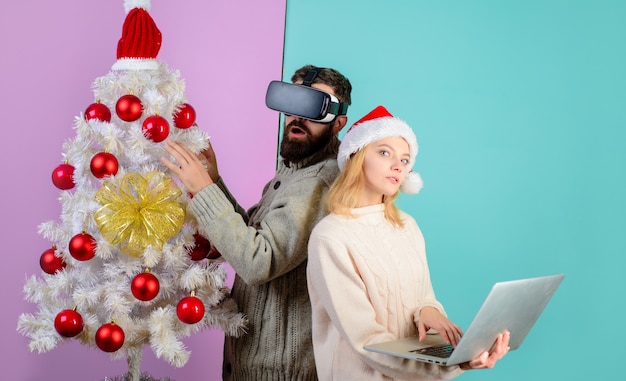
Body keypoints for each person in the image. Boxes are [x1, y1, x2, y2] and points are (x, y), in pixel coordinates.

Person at [161, 65, 352, 380]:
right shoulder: (296, 170)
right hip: (254, 363)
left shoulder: (320, 181)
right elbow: (256, 236)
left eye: (313, 108)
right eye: (292, 103)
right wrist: (214, 181)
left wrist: (204, 191)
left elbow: (258, 261)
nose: (297, 117)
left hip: (280, 371)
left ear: (338, 124)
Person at [306, 105, 510, 380]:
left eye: (404, 160)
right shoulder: (330, 236)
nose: (397, 165)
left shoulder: (407, 226)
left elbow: (423, 296)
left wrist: (428, 311)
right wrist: (454, 364)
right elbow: (368, 342)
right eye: (384, 152)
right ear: (356, 156)